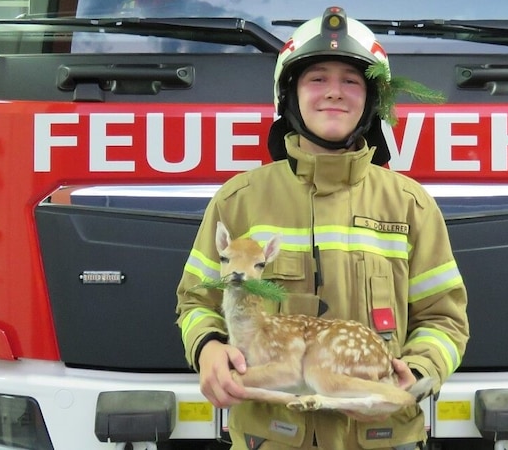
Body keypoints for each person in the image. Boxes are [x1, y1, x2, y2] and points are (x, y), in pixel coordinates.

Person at [175, 6, 469, 449]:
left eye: (351, 81)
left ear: (371, 102)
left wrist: (422, 370)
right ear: (289, 97)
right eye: (317, 79)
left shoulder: (410, 206)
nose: (334, 93)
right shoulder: (239, 201)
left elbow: (443, 318)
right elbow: (196, 300)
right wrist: (209, 348)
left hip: (381, 436)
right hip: (270, 436)